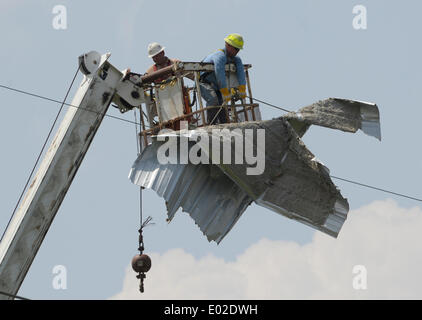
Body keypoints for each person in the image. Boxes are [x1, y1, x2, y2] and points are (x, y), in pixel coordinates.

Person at [199, 33, 247, 125]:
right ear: (227, 45)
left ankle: (224, 126)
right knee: (213, 101)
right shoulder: (219, 56)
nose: (237, 51)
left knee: (222, 106)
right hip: (204, 83)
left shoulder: (236, 59)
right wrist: (225, 91)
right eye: (235, 48)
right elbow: (219, 73)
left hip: (217, 87)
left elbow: (241, 72)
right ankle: (211, 125)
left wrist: (242, 89)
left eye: (238, 49)